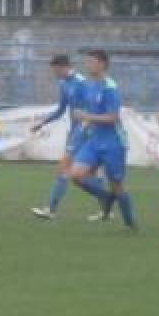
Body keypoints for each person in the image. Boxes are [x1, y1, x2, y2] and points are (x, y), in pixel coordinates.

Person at [69, 50, 138, 231]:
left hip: (113, 142)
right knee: (76, 174)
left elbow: (113, 117)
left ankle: (130, 223)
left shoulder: (110, 88)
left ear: (102, 64)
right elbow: (94, 112)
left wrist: (86, 116)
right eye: (88, 62)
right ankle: (106, 197)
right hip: (94, 140)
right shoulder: (91, 85)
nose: (88, 65)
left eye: (92, 62)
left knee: (117, 184)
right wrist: (86, 124)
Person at [29, 55, 103, 220]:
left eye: (55, 70)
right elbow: (61, 110)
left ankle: (50, 209)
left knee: (64, 167)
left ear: (63, 67)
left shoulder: (82, 83)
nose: (54, 74)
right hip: (75, 130)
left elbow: (94, 107)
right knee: (91, 173)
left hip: (85, 130)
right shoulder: (64, 84)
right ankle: (107, 207)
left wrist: (88, 126)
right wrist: (42, 123)